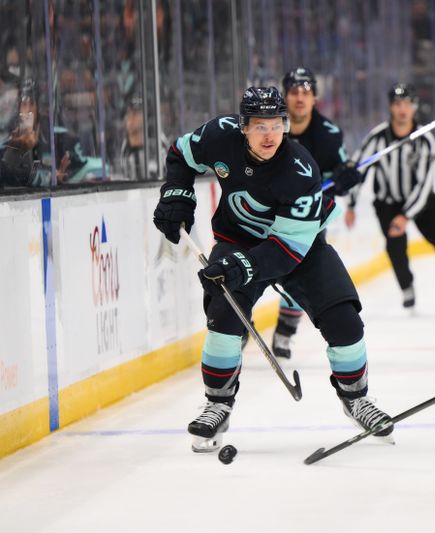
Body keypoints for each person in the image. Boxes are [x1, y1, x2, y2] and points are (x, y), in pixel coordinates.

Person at [152, 86, 393, 453]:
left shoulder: (300, 170)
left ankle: (355, 397)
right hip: (238, 240)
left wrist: (242, 267)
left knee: (344, 318)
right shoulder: (218, 135)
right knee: (223, 316)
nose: (269, 135)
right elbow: (180, 154)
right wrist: (176, 193)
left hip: (300, 247)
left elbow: (287, 250)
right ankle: (217, 403)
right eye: (260, 126)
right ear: (243, 126)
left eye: (276, 125)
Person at [346, 83, 435, 310]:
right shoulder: (377, 138)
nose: (402, 109)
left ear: (415, 107)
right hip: (387, 203)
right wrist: (351, 204)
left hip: (422, 202)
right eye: (397, 104)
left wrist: (406, 216)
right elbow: (358, 169)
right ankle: (407, 287)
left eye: (407, 103)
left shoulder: (425, 140)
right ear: (391, 107)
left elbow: (425, 184)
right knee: (395, 247)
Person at [267, 66, 363, 360]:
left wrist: (347, 182)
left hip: (308, 220)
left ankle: (285, 331)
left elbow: (345, 173)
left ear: (315, 98)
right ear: (284, 96)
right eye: (294, 92)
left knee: (300, 273)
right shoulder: (268, 129)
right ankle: (239, 326)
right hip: (265, 213)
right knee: (250, 271)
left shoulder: (329, 135)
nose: (299, 98)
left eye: (305, 92)